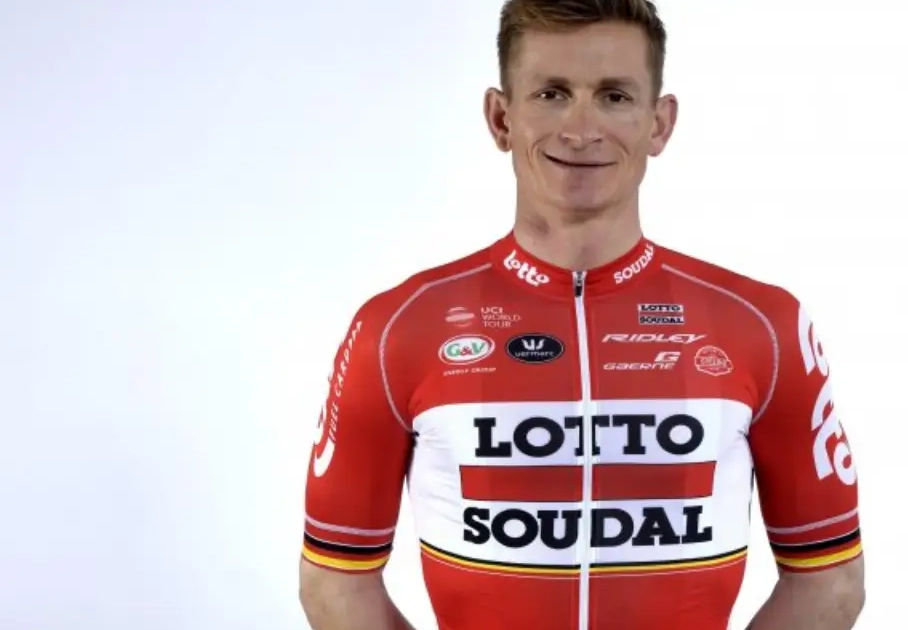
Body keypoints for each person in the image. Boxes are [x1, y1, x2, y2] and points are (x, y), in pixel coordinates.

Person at [297, 1, 865, 628]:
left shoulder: (764, 326)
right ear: (500, 117)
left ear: (659, 124)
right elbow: (335, 581)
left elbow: (830, 581)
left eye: (614, 97)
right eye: (552, 94)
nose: (581, 128)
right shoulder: (397, 328)